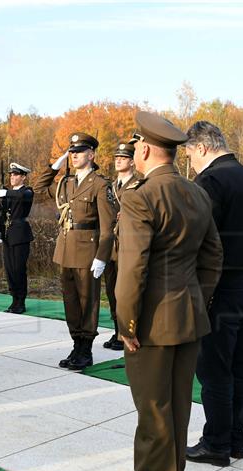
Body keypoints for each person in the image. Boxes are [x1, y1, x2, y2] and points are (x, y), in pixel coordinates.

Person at [107, 111, 223, 471]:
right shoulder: (197, 193)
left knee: (153, 407)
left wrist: (127, 323)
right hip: (188, 317)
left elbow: (132, 269)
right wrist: (196, 301)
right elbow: (213, 258)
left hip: (152, 322)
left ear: (143, 149)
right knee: (178, 404)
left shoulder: (140, 196)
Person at [182, 121, 243, 467]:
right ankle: (235, 438)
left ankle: (216, 443)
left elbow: (200, 238)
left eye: (188, 153)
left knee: (214, 366)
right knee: (237, 365)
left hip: (223, 282)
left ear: (201, 148)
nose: (188, 161)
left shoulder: (211, 181)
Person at [32, 133, 116, 370]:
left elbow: (108, 227)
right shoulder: (65, 183)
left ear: (91, 155)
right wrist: (54, 167)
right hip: (66, 249)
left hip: (88, 251)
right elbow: (39, 188)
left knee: (87, 302)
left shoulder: (100, 184)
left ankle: (86, 349)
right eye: (72, 152)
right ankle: (76, 345)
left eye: (79, 151)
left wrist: (102, 256)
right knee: (70, 301)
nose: (74, 155)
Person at [103, 141, 137, 351]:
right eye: (116, 157)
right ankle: (117, 331)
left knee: (126, 292)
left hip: (128, 244)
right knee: (111, 290)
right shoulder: (110, 187)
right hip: (110, 246)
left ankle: (128, 332)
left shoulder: (140, 184)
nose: (118, 161)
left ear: (132, 162)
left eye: (123, 158)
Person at [0, 162, 35, 313]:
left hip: (20, 234)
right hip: (7, 234)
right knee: (10, 269)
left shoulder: (27, 191)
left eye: (15, 174)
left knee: (19, 269)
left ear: (23, 177)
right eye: (11, 174)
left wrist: (6, 193)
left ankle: (21, 301)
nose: (12, 177)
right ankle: (14, 299)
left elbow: (22, 196)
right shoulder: (7, 193)